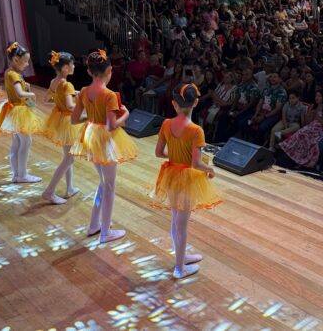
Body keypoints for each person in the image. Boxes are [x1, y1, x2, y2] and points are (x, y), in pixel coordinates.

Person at [150, 83, 221, 279]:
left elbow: (158, 153)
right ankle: (180, 269)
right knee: (182, 224)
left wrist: (173, 156)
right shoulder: (197, 130)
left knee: (176, 219)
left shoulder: (166, 124)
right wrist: (210, 170)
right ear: (196, 102)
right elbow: (197, 164)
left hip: (171, 173)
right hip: (187, 177)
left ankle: (181, 258)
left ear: (174, 103)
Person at [71, 50, 137, 244]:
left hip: (90, 136)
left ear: (90, 72)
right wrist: (126, 114)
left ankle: (94, 224)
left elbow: (75, 119)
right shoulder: (109, 95)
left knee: (103, 183)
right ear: (109, 70)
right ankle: (106, 232)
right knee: (109, 186)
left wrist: (91, 118)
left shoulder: (83, 91)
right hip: (105, 140)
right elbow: (111, 125)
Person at [0, 42, 46, 183]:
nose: (27, 64)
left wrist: (24, 85)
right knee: (26, 142)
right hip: (19, 110)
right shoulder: (14, 75)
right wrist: (31, 94)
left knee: (17, 142)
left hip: (13, 109)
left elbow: (17, 89)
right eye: (25, 61)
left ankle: (17, 173)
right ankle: (22, 175)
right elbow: (20, 94)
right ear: (16, 60)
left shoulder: (9, 72)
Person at [41, 51, 83, 205]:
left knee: (68, 156)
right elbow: (70, 106)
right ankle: (49, 191)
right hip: (68, 122)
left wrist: (63, 98)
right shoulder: (67, 84)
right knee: (69, 158)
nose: (74, 67)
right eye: (72, 64)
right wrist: (79, 101)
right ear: (65, 67)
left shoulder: (54, 81)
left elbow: (46, 99)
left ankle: (70, 188)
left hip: (59, 120)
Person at [279, 89, 323, 169]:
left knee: (309, 139)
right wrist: (310, 115)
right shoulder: (313, 106)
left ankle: (305, 161)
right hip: (312, 126)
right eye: (316, 96)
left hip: (322, 130)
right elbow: (308, 122)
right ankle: (296, 158)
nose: (316, 98)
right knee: (300, 134)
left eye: (319, 96)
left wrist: (317, 116)